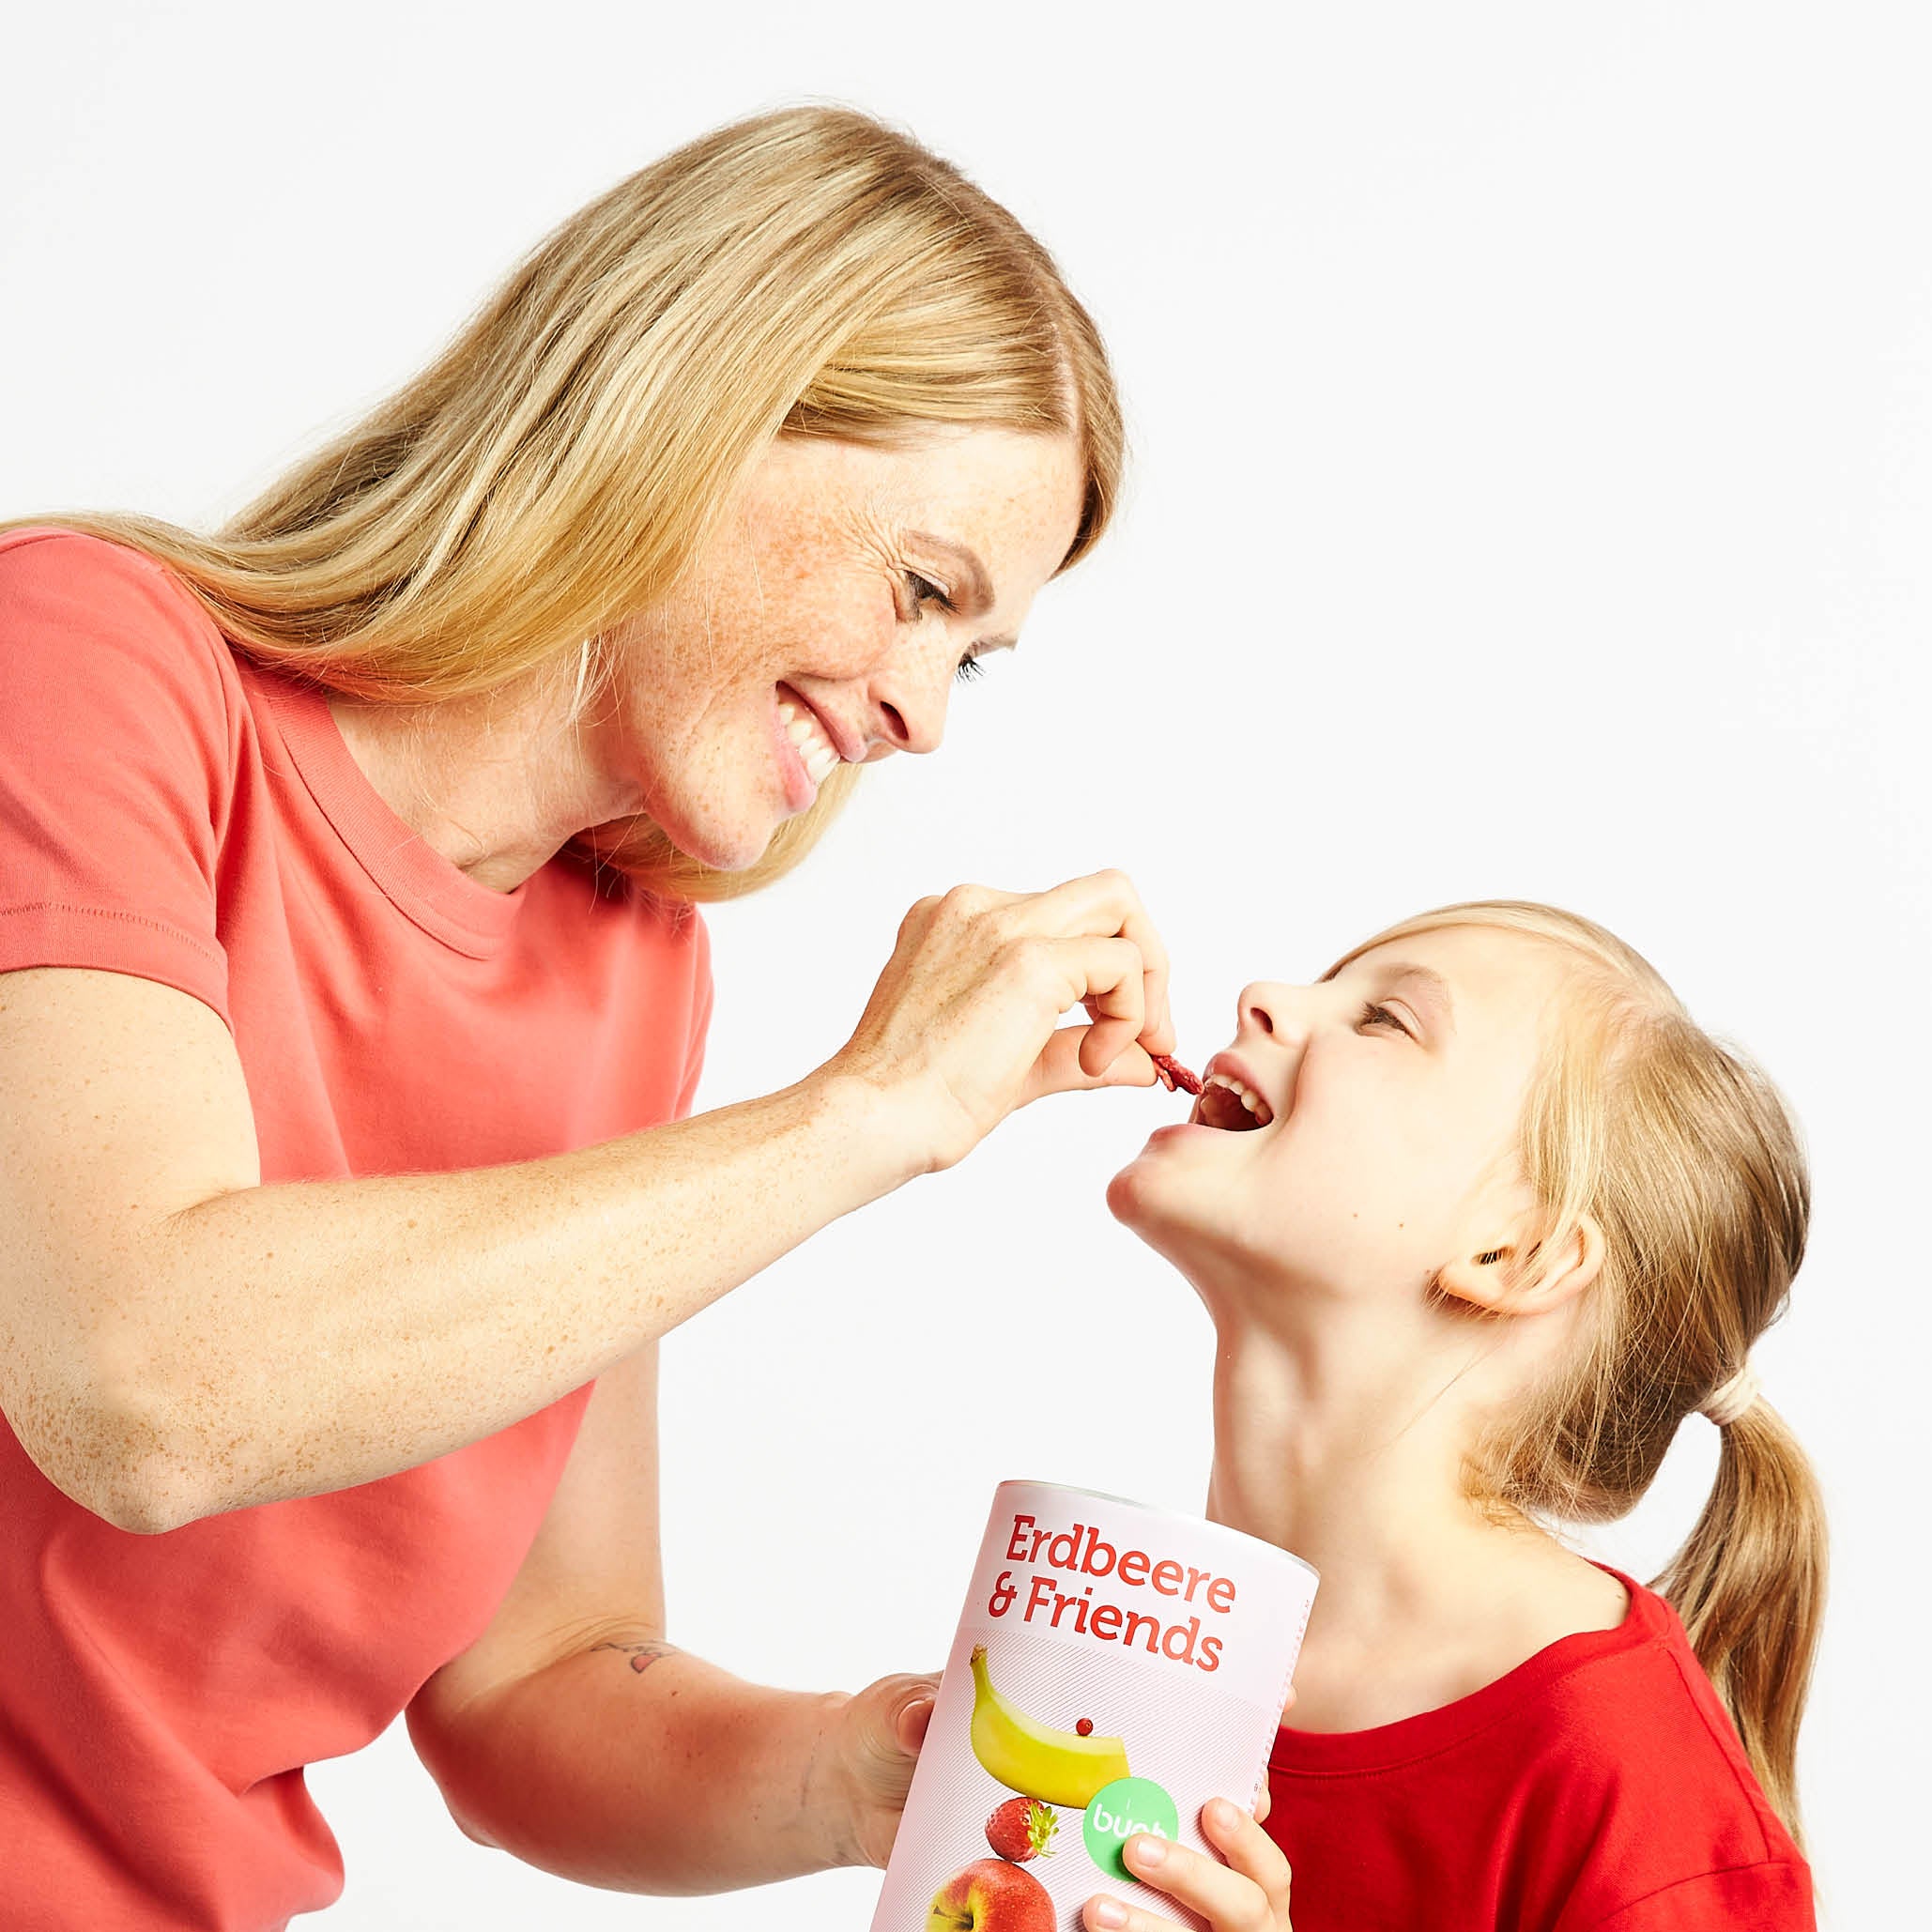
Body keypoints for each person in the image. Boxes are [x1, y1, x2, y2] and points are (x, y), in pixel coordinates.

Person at [0, 108, 1177, 1931]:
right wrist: (865, 1111)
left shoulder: (632, 976)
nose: (929, 717)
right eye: (925, 590)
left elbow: (533, 1690)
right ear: (694, 413)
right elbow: (136, 1383)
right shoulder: (87, 660)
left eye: (978, 654)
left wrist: (874, 1768)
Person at [1089, 900, 1823, 1931]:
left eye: (1385, 1019)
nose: (1264, 997)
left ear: (1513, 1253)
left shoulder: (1623, 1780)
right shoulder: (1127, 1650)